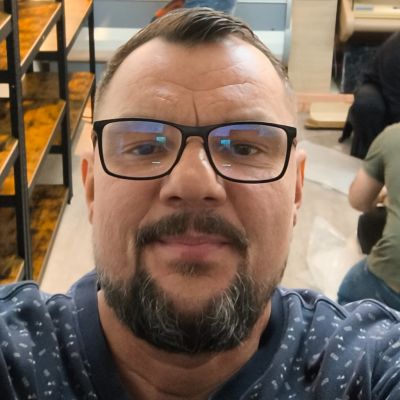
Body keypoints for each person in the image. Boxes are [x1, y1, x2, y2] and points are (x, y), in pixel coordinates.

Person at [1, 9, 400, 399]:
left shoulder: (366, 364)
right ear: (91, 187)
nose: (193, 183)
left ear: (296, 189)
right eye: (146, 147)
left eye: (243, 148)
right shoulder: (14, 359)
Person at [338, 122, 400, 310]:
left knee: (351, 292)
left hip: (391, 276)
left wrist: (384, 195)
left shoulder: (393, 136)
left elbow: (358, 200)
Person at [339, 32, 400, 159]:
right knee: (368, 104)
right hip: (382, 91)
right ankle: (369, 155)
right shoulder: (395, 52)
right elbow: (395, 102)